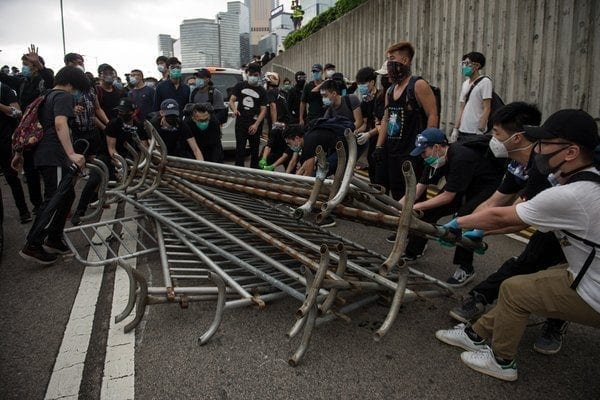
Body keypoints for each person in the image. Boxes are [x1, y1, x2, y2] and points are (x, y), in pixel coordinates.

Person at [435, 109, 600, 381]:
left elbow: (504, 216)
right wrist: (477, 231)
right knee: (531, 282)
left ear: (571, 152)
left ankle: (502, 361)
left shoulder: (571, 194)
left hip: (593, 288)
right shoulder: (587, 178)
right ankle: (475, 334)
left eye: (545, 143)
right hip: (582, 271)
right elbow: (514, 219)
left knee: (514, 290)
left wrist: (457, 223)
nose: (539, 149)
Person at [447, 102, 569, 354]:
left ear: (518, 137)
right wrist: (470, 224)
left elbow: (517, 218)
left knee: (555, 272)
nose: (493, 139)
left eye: (497, 133)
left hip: (573, 231)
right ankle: (480, 297)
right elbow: (494, 202)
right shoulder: (517, 164)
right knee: (526, 263)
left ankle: (556, 323)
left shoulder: (542, 167)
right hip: (550, 224)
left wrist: (470, 227)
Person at [397, 128, 505, 286]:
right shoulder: (434, 159)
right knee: (427, 212)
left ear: (436, 147)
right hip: (464, 182)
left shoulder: (460, 156)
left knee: (464, 219)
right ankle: (413, 251)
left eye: (424, 152)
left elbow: (448, 197)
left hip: (485, 186)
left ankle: (466, 268)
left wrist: (415, 206)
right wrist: (399, 206)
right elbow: (419, 187)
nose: (422, 156)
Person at [12, 66, 90, 264]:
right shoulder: (63, 96)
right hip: (53, 154)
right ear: (71, 84)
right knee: (55, 198)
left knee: (67, 195)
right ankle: (34, 244)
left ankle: (54, 238)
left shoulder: (46, 95)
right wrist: (71, 154)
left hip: (44, 154)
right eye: (78, 88)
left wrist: (18, 153)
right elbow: (59, 124)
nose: (77, 93)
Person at [374, 41, 439, 200]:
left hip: (413, 153)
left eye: (392, 59)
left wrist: (427, 146)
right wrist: (379, 146)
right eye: (388, 59)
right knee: (397, 195)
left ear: (405, 60)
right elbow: (386, 119)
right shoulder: (390, 90)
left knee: (413, 196)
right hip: (393, 151)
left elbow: (432, 114)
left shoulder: (418, 85)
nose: (389, 63)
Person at [0, 81, 31, 223]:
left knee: (11, 177)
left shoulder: (4, 89)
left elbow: (17, 112)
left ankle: (24, 211)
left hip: (5, 141)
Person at [228, 63, 267, 168]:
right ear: (247, 74)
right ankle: (239, 172)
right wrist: (234, 110)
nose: (253, 77)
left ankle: (253, 172)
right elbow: (231, 100)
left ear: (259, 75)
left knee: (254, 151)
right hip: (241, 123)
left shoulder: (262, 91)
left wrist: (256, 125)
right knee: (240, 150)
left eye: (255, 75)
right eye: (251, 74)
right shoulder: (240, 86)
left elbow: (263, 110)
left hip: (255, 124)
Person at [451, 52, 493, 141]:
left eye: (467, 64)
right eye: (463, 63)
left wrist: (481, 129)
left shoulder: (485, 82)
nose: (464, 67)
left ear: (477, 66)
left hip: (475, 131)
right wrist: (455, 129)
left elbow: (487, 108)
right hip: (463, 130)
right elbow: (462, 108)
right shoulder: (465, 84)